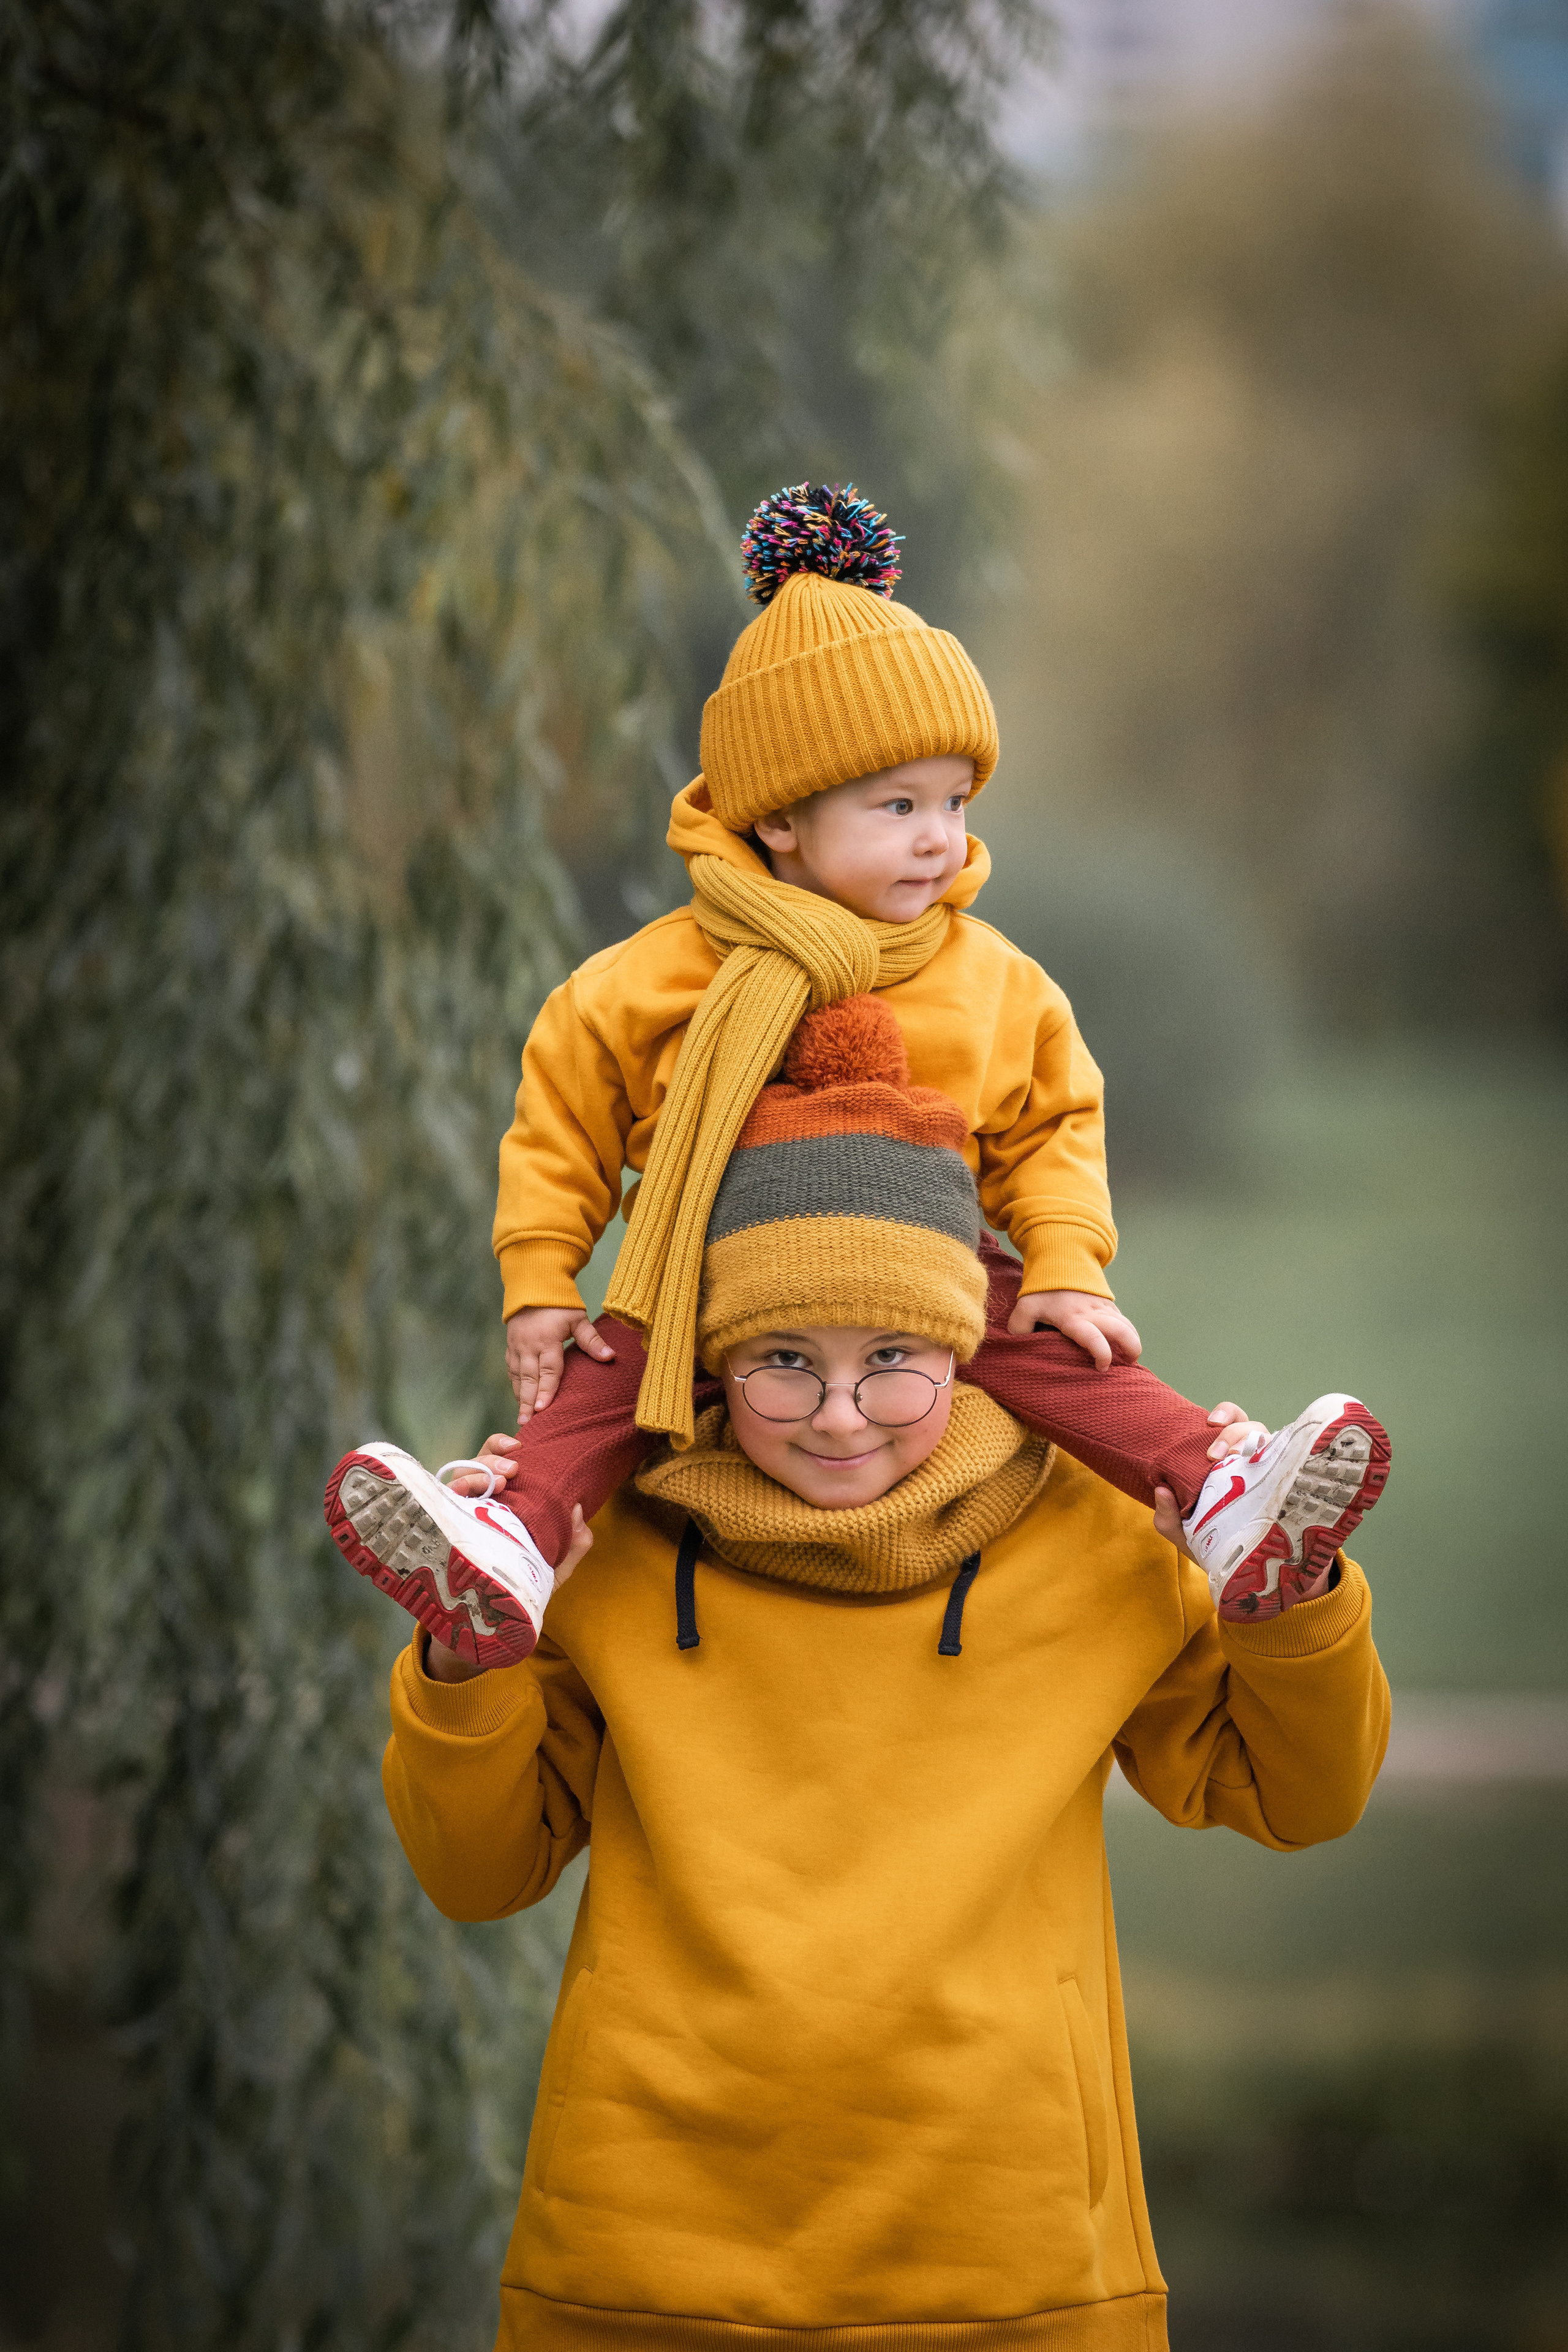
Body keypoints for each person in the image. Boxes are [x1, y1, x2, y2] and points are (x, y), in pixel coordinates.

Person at [379, 997, 1392, 2352]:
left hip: (1016, 2267)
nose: (840, 1414)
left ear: (963, 1351)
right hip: (641, 2265)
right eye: (783, 1362)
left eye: (892, 1362)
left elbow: (1296, 1796)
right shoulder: (599, 1550)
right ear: (712, 1362)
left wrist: (1292, 1604)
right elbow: (476, 1868)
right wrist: (467, 1654)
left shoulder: (1088, 1534)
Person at [328, 481, 1389, 1668]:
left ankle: (1217, 1496)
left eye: (952, 800)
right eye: (896, 807)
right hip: (711, 1277)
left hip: (928, 1275)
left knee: (1071, 1357)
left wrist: (1066, 1264)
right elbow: (562, 1119)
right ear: (778, 818)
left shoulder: (992, 980)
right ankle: (506, 1540)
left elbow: (1052, 1122)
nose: (939, 837)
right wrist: (540, 1279)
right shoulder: (655, 978)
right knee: (603, 1380)